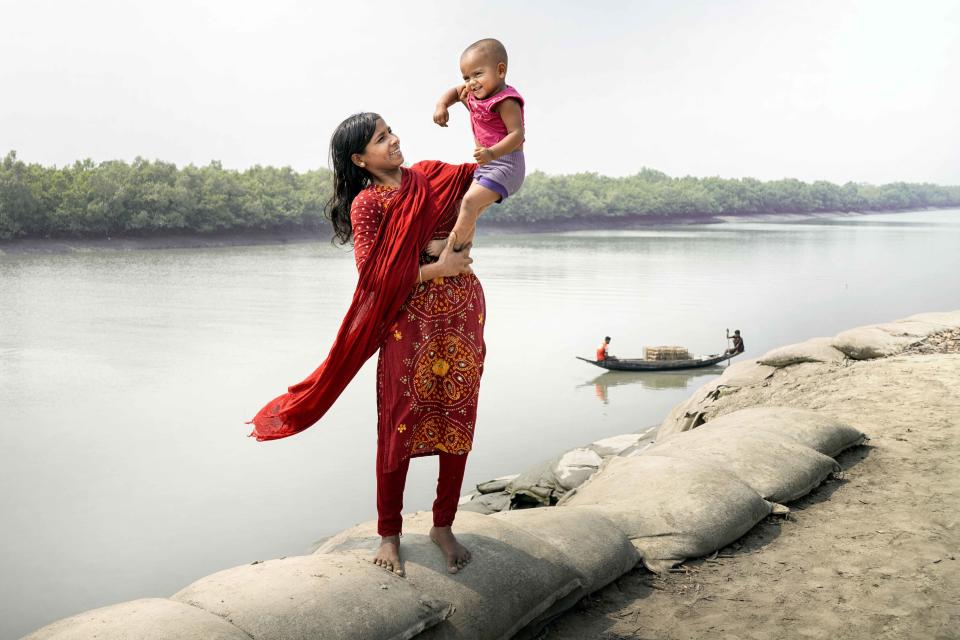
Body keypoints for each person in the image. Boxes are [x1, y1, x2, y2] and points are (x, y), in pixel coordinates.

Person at [247, 113, 484, 577]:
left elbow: (492, 170)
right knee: (400, 421)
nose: (393, 140)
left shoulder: (431, 176)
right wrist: (438, 268)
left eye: (391, 131)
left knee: (456, 412)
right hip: (406, 322)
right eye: (381, 138)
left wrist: (476, 98)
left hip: (461, 314)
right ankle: (390, 533)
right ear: (360, 159)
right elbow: (374, 277)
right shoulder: (368, 205)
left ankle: (443, 525)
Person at [433, 37, 525, 250]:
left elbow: (517, 134)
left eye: (478, 74)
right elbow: (455, 93)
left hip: (507, 165)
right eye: (466, 77)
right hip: (488, 164)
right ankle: (462, 251)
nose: (471, 82)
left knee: (469, 203)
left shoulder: (505, 101)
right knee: (466, 209)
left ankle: (448, 246)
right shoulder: (472, 94)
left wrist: (492, 153)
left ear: (500, 71)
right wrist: (441, 106)